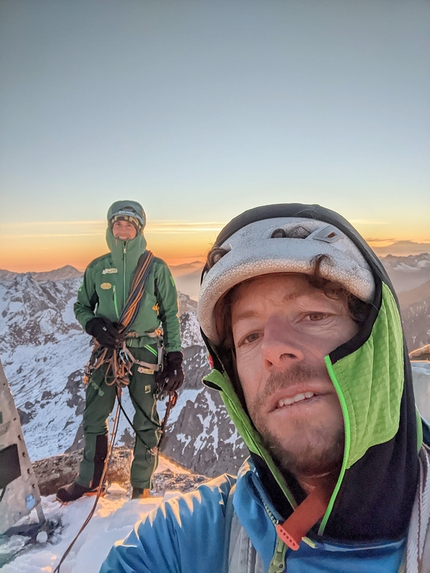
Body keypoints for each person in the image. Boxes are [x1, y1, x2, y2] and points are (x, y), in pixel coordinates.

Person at [100, 203, 430, 572]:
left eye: (313, 315)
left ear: (377, 342)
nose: (272, 349)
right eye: (250, 336)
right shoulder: (183, 539)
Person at [57, 200, 183, 503]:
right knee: (94, 415)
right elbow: (82, 306)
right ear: (110, 228)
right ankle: (89, 480)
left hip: (146, 350)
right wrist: (95, 325)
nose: (123, 230)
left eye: (129, 224)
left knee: (145, 420)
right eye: (118, 224)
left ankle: (141, 487)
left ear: (138, 229)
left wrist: (175, 357)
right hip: (107, 351)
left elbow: (170, 315)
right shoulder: (97, 268)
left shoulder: (156, 269)